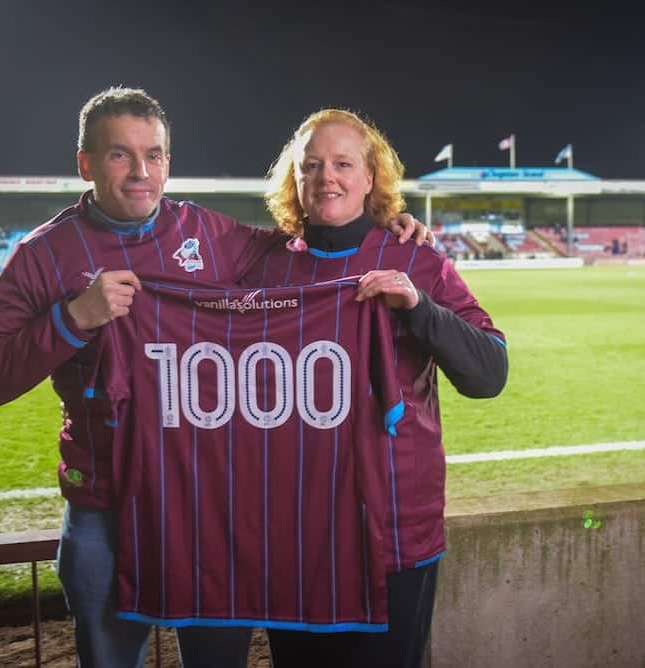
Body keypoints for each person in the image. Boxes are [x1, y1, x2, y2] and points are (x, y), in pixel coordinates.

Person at [0, 87, 430, 668]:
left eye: (154, 154)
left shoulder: (209, 234)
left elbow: (314, 248)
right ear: (84, 163)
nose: (141, 171)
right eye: (119, 154)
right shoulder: (43, 254)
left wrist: (387, 224)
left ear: (168, 161)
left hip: (202, 505)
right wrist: (73, 318)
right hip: (106, 510)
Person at [244, 109, 508, 668]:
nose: (326, 178)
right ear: (293, 180)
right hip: (292, 534)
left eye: (343, 163)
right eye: (310, 165)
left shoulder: (419, 261)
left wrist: (419, 309)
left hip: (394, 532)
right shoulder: (260, 268)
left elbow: (489, 374)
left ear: (371, 177)